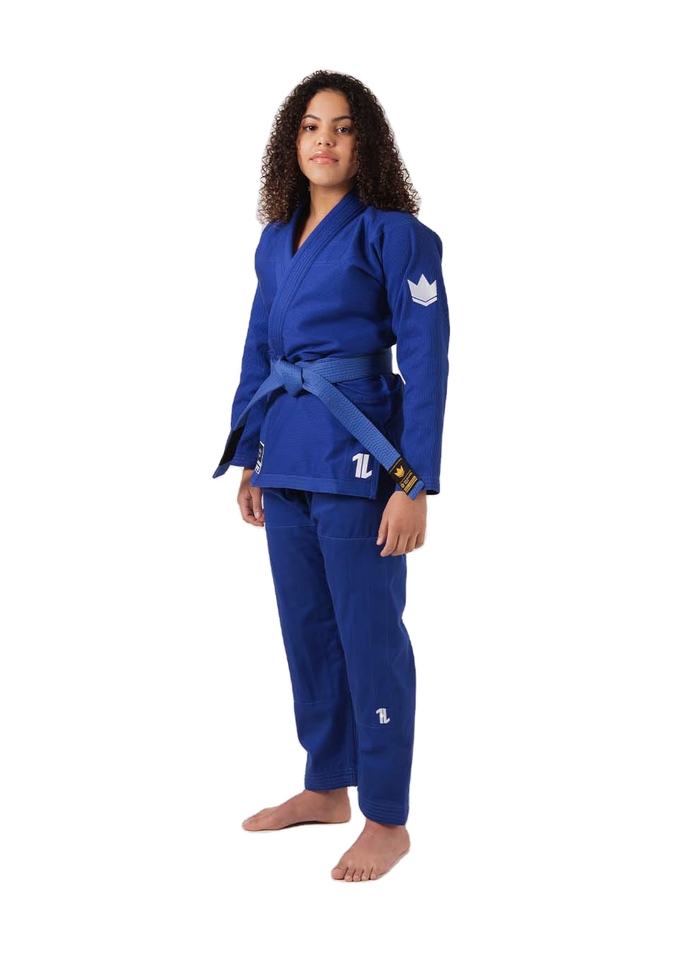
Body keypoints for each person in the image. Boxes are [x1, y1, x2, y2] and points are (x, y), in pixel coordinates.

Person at [213, 70, 450, 881]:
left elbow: (427, 362)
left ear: (365, 143)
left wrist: (414, 484)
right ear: (293, 141)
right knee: (308, 632)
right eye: (312, 126)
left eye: (343, 128)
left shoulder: (396, 236)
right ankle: (325, 786)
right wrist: (252, 453)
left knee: (369, 637)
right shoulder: (275, 240)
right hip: (287, 455)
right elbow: (259, 349)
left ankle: (386, 815)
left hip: (361, 458)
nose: (326, 141)